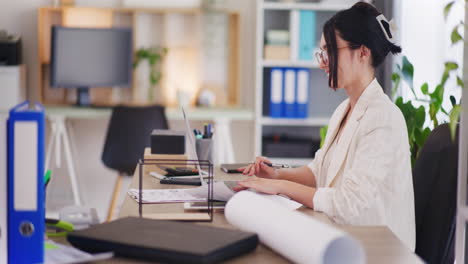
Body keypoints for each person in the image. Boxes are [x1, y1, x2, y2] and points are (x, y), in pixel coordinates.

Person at [234, 2, 415, 251]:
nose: (323, 63)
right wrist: (278, 174)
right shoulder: (344, 110)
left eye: (329, 52)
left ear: (363, 53)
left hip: (377, 250)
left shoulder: (383, 119)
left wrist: (279, 187)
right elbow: (320, 172)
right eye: (321, 53)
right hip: (343, 238)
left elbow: (349, 204)